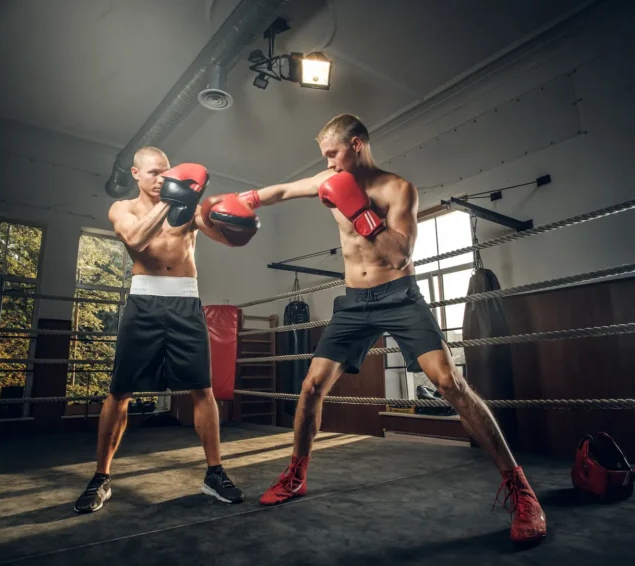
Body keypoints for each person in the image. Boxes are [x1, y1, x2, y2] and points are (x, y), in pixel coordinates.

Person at [224, 114, 546, 543]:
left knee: (451, 383)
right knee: (310, 387)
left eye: (334, 154)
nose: (330, 166)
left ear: (357, 144)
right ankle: (296, 474)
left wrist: (358, 211)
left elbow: (399, 255)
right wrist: (244, 199)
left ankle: (520, 489)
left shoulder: (399, 189)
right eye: (325, 158)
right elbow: (281, 190)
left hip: (399, 297)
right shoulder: (327, 179)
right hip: (354, 303)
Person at [74, 146, 259, 513]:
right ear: (136, 173)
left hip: (185, 303)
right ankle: (101, 477)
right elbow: (136, 240)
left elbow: (225, 236)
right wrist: (171, 198)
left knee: (202, 390)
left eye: (167, 173)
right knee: (120, 391)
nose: (162, 178)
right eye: (155, 172)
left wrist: (236, 219)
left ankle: (214, 473)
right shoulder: (122, 209)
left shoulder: (186, 209)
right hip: (143, 302)